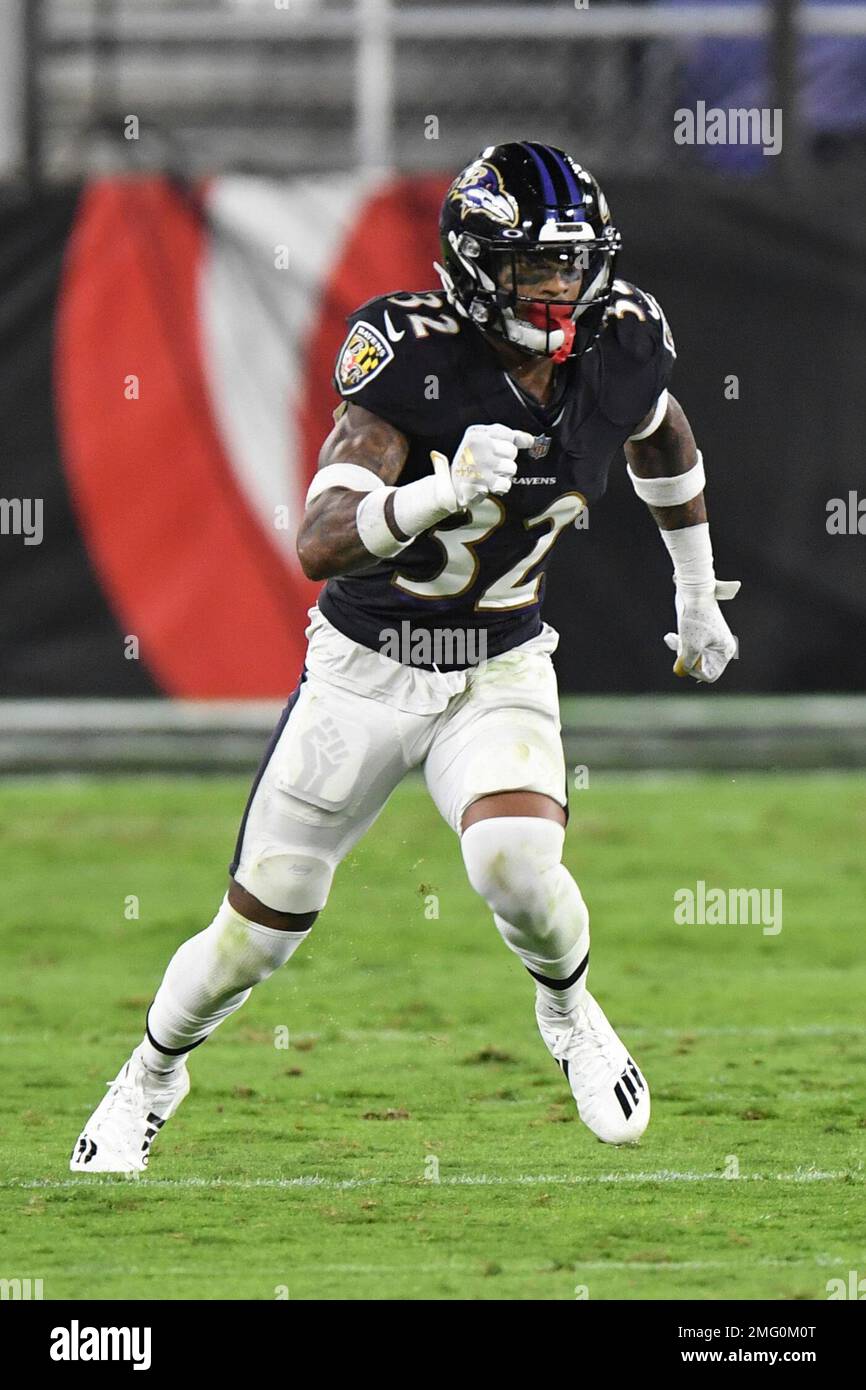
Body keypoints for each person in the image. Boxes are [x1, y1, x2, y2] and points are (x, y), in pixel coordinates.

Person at [70, 141, 739, 1173]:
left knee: (515, 862)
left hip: (499, 662)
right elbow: (319, 538)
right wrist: (435, 492)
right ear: (475, 267)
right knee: (257, 932)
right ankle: (150, 1074)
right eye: (531, 267)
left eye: (570, 263)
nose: (558, 288)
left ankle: (565, 1012)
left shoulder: (619, 339)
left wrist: (694, 587)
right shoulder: (410, 350)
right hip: (364, 669)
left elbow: (658, 430)